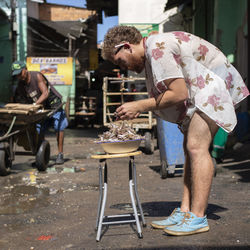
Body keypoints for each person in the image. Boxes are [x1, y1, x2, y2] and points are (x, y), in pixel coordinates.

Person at [101, 26, 249, 236]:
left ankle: (197, 217)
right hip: (202, 87)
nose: (124, 67)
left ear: (127, 47)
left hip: (212, 86)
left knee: (196, 147)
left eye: (120, 61)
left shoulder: (157, 48)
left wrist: (139, 106)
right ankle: (186, 211)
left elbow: (178, 93)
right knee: (189, 149)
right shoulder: (154, 47)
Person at [12, 61, 68, 164]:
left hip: (53, 104)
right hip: (40, 107)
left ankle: (60, 154)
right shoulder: (21, 85)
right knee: (38, 129)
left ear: (26, 69)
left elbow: (45, 93)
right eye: (17, 75)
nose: (19, 76)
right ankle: (40, 157)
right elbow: (24, 101)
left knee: (58, 127)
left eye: (20, 73)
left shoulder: (36, 76)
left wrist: (34, 105)